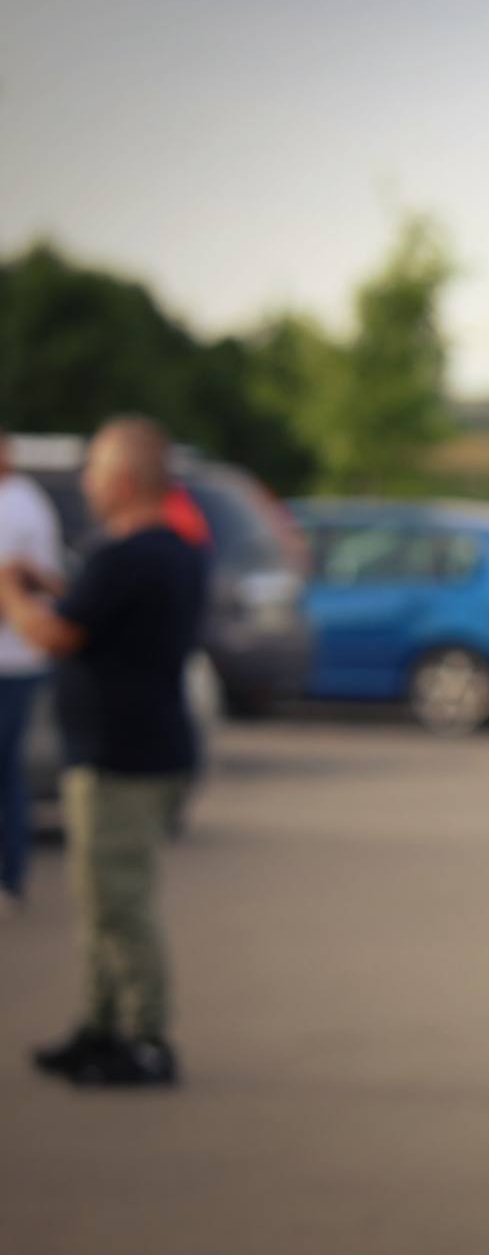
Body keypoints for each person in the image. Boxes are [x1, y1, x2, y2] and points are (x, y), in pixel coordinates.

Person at [0, 417, 208, 1088]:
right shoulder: (167, 551)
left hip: (121, 758)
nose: (87, 481)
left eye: (94, 468)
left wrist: (9, 592)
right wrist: (49, 585)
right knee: (101, 902)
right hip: (139, 750)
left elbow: (58, 635)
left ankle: (145, 1038)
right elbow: (99, 612)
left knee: (119, 903)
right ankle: (100, 1027)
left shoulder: (126, 556)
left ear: (123, 479)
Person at [0, 426, 64, 915]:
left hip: (14, 660)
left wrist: (15, 586)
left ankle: (10, 877)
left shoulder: (24, 504)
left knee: (6, 769)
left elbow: (47, 583)